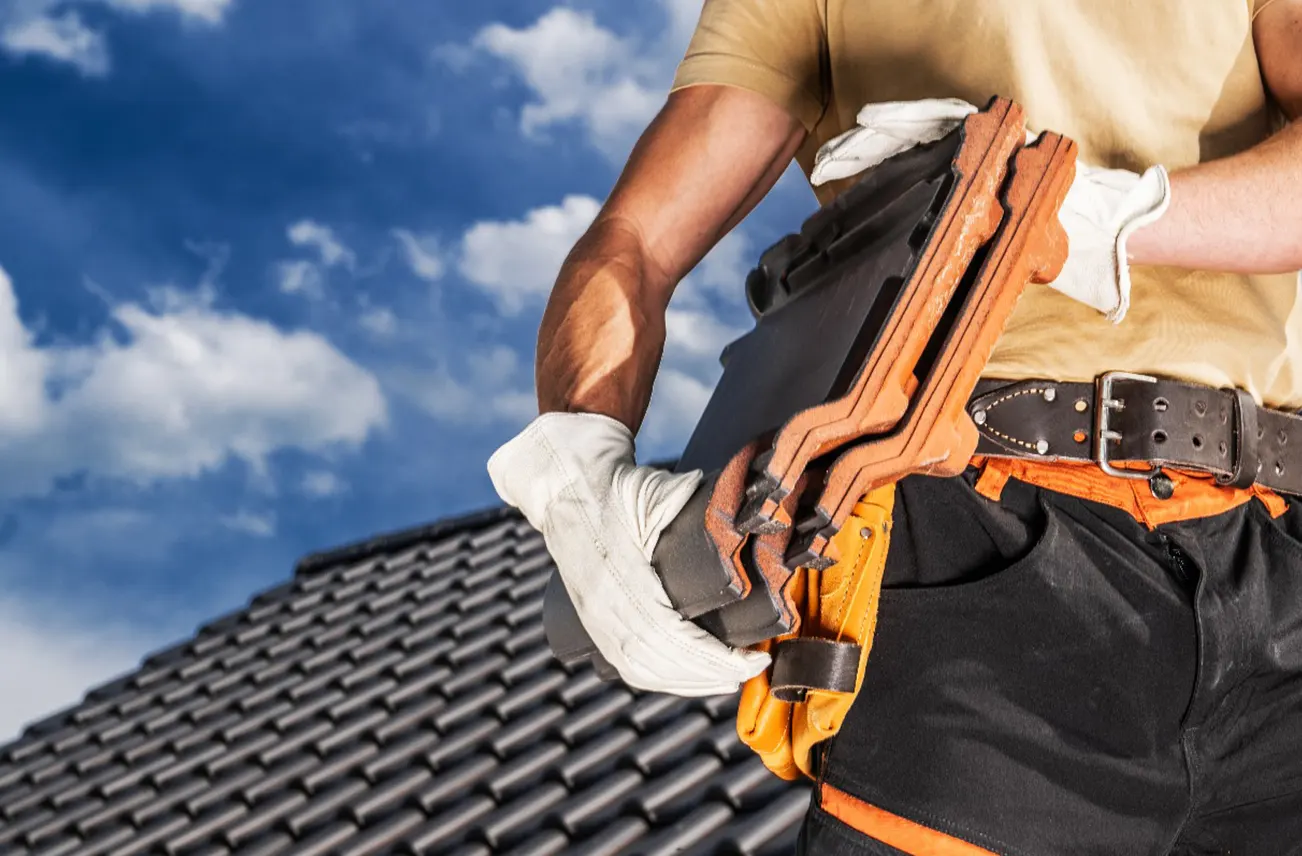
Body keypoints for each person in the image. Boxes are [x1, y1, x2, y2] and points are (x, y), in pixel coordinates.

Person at [487, 1, 1302, 852]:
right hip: (978, 548)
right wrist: (578, 464)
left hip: (1279, 545)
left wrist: (1085, 220)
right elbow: (636, 241)